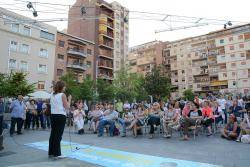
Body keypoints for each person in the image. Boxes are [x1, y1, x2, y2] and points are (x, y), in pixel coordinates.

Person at [48, 81, 71, 159]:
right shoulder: (62, 95)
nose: (65, 88)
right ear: (61, 87)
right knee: (58, 135)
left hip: (53, 115)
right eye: (64, 86)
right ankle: (57, 154)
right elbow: (67, 106)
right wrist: (69, 99)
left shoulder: (51, 94)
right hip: (60, 116)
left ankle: (51, 152)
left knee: (53, 134)